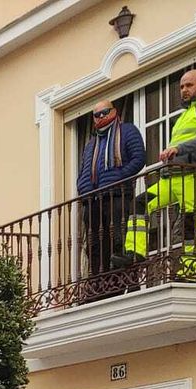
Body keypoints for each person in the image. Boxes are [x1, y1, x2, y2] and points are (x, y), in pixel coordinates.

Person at [123, 69, 196, 278]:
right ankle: (136, 252)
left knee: (190, 222)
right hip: (174, 177)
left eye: (189, 85)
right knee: (139, 203)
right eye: (181, 87)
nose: (184, 90)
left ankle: (190, 271)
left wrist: (179, 149)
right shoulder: (185, 115)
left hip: (195, 175)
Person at [76, 98, 146, 279]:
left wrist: (119, 176)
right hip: (92, 199)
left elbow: (139, 158)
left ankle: (121, 281)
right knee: (95, 245)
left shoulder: (127, 131)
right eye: (96, 115)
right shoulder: (92, 142)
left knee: (118, 239)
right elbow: (84, 168)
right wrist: (81, 186)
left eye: (104, 113)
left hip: (117, 194)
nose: (99, 118)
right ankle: (99, 284)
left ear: (114, 112)